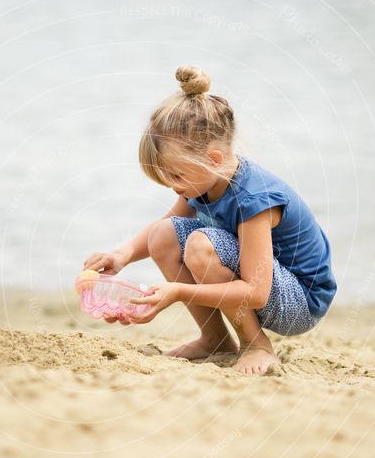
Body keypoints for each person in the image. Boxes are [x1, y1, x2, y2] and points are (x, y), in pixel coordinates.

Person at [83, 66, 337, 376]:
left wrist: (178, 291)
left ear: (212, 159)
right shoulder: (205, 181)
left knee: (201, 246)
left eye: (176, 174)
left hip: (298, 301)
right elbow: (162, 230)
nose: (171, 184)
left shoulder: (253, 200)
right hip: (262, 286)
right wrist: (121, 255)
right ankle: (215, 340)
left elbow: (256, 292)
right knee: (164, 235)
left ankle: (256, 344)